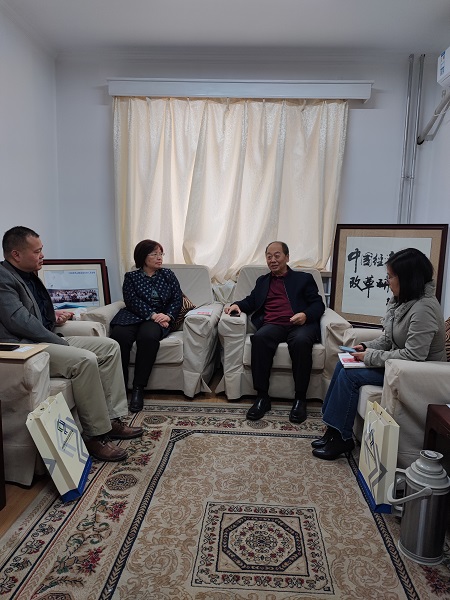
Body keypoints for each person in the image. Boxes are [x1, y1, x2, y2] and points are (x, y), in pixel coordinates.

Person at [0, 226, 143, 463]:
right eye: (37, 251)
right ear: (16, 254)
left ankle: (112, 419)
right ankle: (96, 436)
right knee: (84, 360)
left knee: (109, 347)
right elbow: (18, 321)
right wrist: (58, 340)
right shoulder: (3, 278)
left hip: (45, 336)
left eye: (41, 249)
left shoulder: (28, 274)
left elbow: (32, 312)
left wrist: (52, 317)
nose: (42, 255)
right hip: (27, 347)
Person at [312, 247, 446, 461]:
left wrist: (370, 357)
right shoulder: (403, 301)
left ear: (407, 278)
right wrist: (365, 347)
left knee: (350, 375)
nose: (387, 281)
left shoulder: (424, 309)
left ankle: (342, 438)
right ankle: (333, 429)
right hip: (397, 365)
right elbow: (388, 339)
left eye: (391, 276)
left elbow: (414, 356)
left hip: (415, 374)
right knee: (343, 363)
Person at [225, 241, 325, 423]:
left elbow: (318, 304)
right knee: (259, 338)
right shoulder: (263, 281)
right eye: (269, 256)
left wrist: (305, 315)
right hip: (274, 324)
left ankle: (300, 399)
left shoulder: (303, 279)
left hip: (299, 324)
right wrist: (236, 305)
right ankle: (262, 397)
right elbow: (251, 301)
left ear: (287, 257)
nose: (272, 260)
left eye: (277, 255)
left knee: (301, 341)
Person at [110, 240, 182, 413]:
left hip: (159, 319)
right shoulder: (131, 277)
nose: (159, 257)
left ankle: (138, 388)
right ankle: (119, 389)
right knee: (119, 336)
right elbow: (131, 300)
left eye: (161, 254)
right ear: (143, 257)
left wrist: (168, 315)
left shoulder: (168, 275)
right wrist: (152, 314)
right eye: (154, 254)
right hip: (133, 315)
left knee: (148, 337)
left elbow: (177, 298)